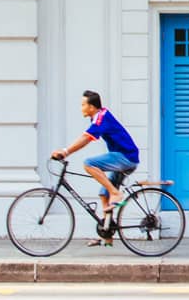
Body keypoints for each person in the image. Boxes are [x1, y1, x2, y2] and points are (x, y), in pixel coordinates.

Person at [51, 90, 140, 224]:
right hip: (124, 157)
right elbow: (86, 136)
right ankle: (106, 231)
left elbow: (86, 138)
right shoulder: (100, 116)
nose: (81, 108)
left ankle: (116, 194)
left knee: (89, 163)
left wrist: (65, 152)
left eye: (83, 105)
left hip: (126, 157)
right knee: (104, 194)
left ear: (92, 107)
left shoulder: (101, 117)